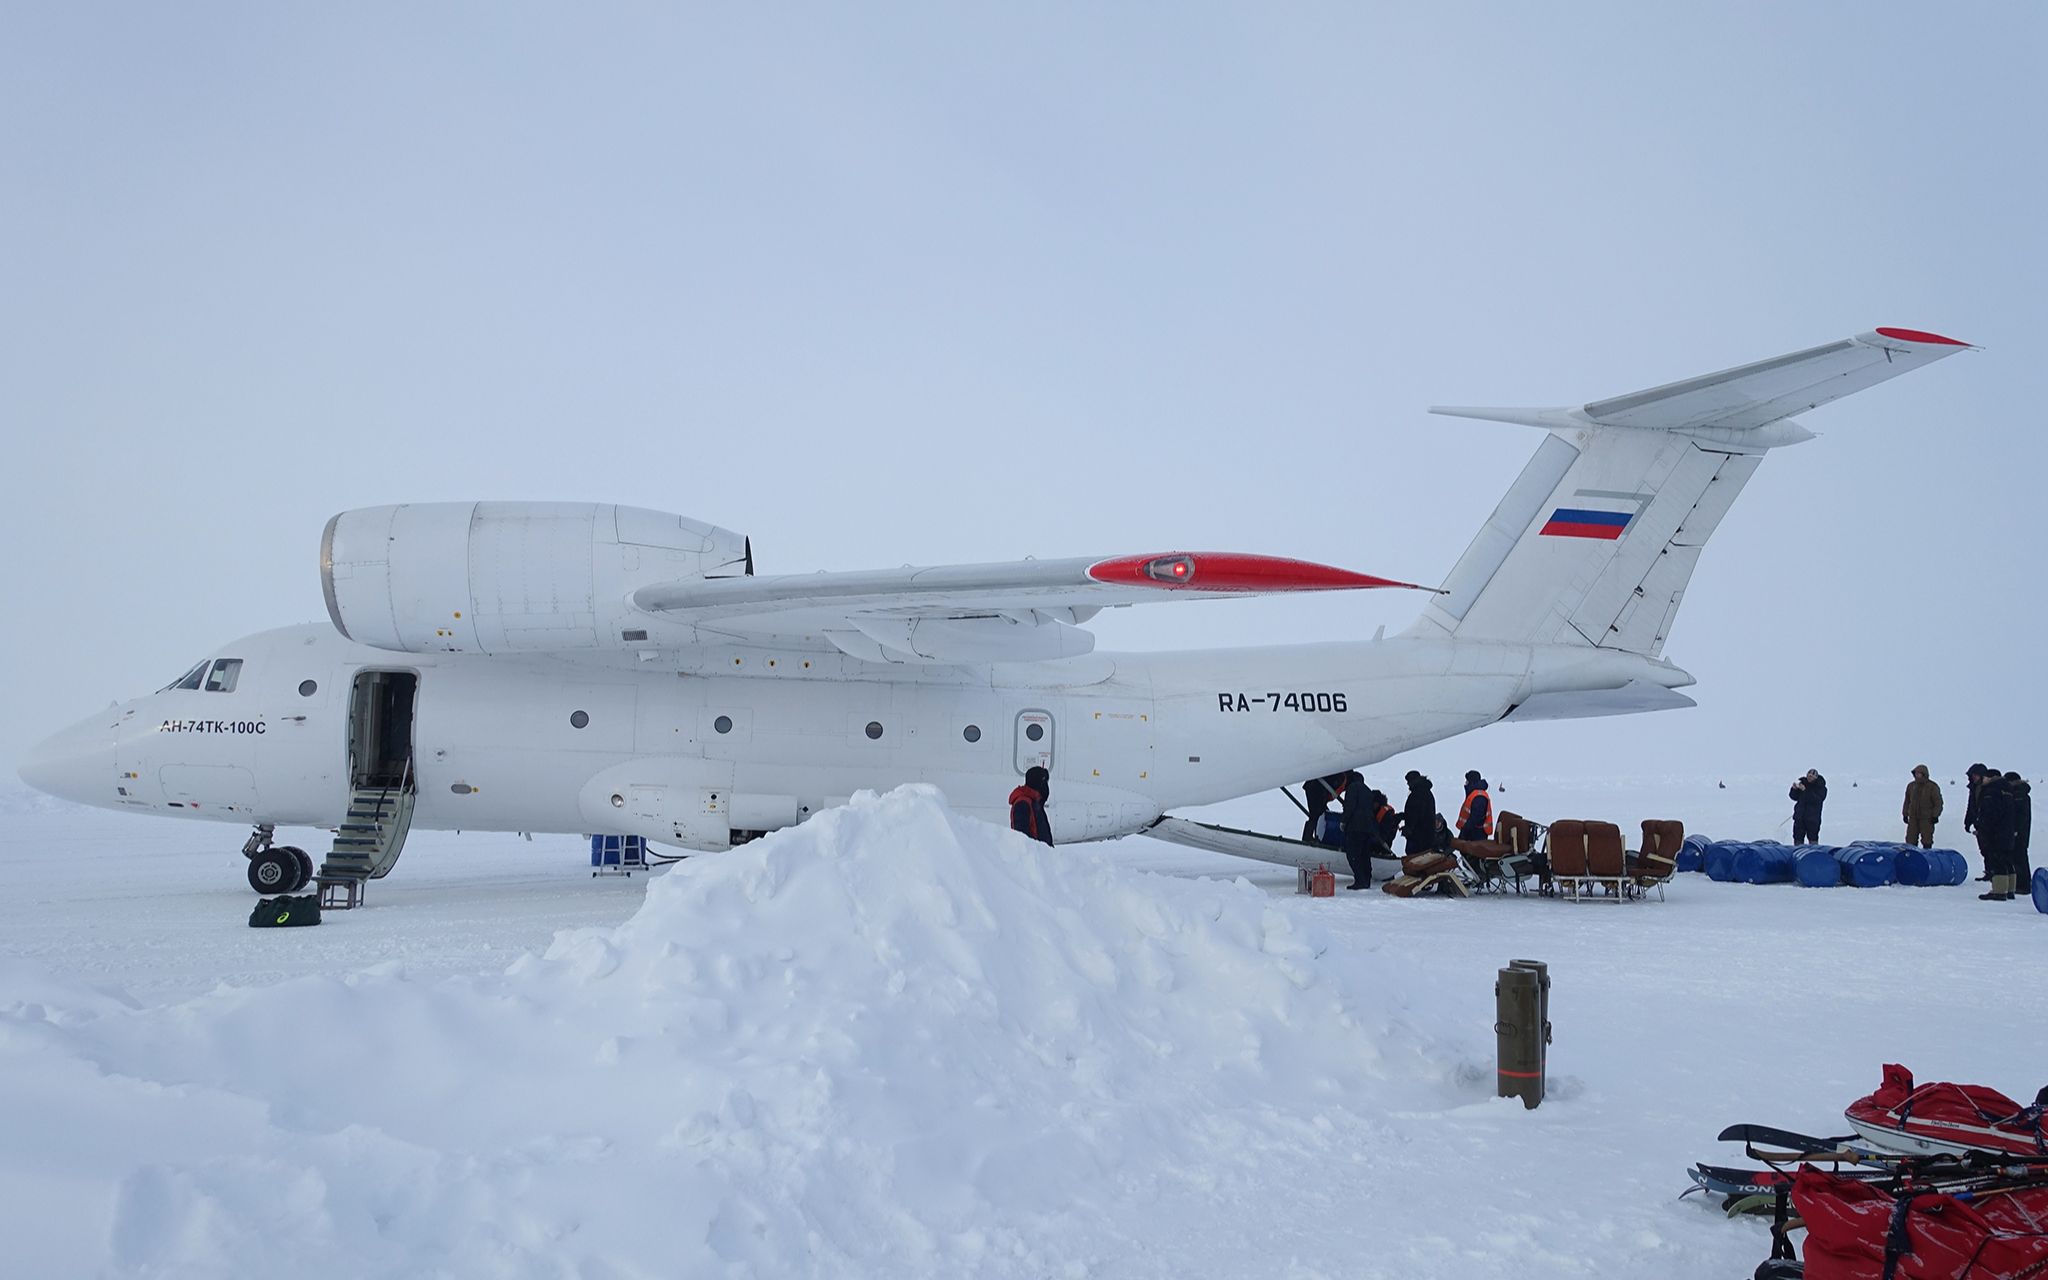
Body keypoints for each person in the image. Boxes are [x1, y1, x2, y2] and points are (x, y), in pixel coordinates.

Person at [1339, 772, 1384, 889]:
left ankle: (1360, 880)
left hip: (1355, 827)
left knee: (1353, 854)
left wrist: (1344, 821)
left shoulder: (1353, 788)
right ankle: (1366, 880)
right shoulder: (1368, 791)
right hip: (1367, 828)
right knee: (1365, 855)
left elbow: (1350, 806)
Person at [1975, 768, 2014, 901]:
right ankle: (2010, 889)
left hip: (1996, 833)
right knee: (2007, 861)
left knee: (1997, 861)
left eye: (1984, 777)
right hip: (2007, 831)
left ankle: (1999, 891)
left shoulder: (1992, 791)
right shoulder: (2007, 790)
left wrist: (1984, 828)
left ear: (1990, 778)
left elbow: (1990, 814)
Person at [1009, 765, 1054, 846]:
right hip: (1034, 856)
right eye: (1044, 782)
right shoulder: (1023, 804)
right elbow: (1022, 838)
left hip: (1041, 855)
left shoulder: (1035, 803)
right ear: (1039, 783)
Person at [1902, 765, 1943, 849]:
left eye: (1919, 774)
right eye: (1916, 774)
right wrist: (1905, 814)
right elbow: (1907, 801)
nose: (1917, 776)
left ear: (1924, 774)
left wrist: (1935, 815)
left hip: (1927, 818)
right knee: (1910, 839)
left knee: (1927, 839)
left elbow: (1938, 803)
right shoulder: (1911, 786)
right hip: (1913, 817)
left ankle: (1927, 856)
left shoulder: (1932, 787)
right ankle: (1911, 857)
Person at [1964, 763, 1992, 880]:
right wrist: (1968, 821)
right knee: (1984, 849)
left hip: (1988, 823)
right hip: (1978, 822)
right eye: (1972, 775)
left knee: (1991, 849)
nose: (1974, 777)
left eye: (1976, 775)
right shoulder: (1973, 788)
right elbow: (1971, 806)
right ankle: (1989, 871)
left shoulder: (1988, 788)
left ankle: (1993, 872)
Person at [1302, 773, 1346, 845]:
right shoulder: (1341, 778)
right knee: (1316, 815)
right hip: (1316, 789)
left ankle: (1315, 836)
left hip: (1316, 789)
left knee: (1320, 814)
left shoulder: (1341, 777)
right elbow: (1329, 789)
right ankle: (1307, 838)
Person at [2005, 770, 2032, 888]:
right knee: (2018, 857)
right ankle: (2021, 883)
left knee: (2019, 857)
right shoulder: (2019, 794)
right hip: (2020, 831)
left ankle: (2023, 884)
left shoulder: (2019, 795)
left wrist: (2015, 829)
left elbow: (2020, 815)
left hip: (2019, 832)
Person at [1400, 771, 1437, 855]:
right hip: (1427, 833)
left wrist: (1408, 828)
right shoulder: (1426, 792)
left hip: (1418, 835)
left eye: (1408, 782)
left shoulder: (1417, 794)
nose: (1407, 784)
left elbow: (1414, 814)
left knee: (1415, 857)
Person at [1789, 769, 1827, 845]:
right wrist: (1794, 789)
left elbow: (1816, 800)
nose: (1809, 778)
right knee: (1798, 839)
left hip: (1812, 818)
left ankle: (1813, 855)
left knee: (1813, 839)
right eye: (1808, 776)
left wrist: (1805, 790)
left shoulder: (1820, 787)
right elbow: (1794, 797)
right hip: (1799, 817)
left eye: (1811, 776)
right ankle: (1798, 854)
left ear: (1815, 777)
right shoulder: (1803, 783)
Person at [1457, 770, 1493, 842]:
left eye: (1467, 781)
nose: (1465, 783)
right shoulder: (1474, 794)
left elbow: (1476, 818)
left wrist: (1465, 832)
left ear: (1471, 781)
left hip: (1477, 834)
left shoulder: (1479, 797)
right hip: (1472, 833)